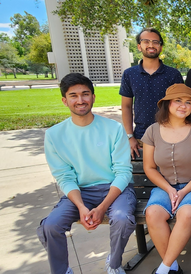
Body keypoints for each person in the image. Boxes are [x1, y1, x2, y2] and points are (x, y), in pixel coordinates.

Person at [38, 73, 135, 274]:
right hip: (79, 192)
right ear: (65, 101)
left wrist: (102, 207)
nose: (80, 100)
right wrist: (81, 207)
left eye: (85, 94)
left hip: (115, 189)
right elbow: (64, 176)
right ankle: (62, 270)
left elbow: (123, 172)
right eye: (73, 95)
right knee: (51, 225)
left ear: (93, 97)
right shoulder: (55, 135)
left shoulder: (113, 128)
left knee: (122, 217)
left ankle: (114, 263)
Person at [141, 84, 191, 274]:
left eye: (188, 102)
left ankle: (163, 269)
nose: (183, 105)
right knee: (153, 214)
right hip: (165, 187)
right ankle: (173, 266)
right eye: (178, 101)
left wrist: (183, 191)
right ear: (167, 104)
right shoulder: (152, 131)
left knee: (186, 213)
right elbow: (149, 167)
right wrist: (170, 189)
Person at [120, 28, 184, 158]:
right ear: (139, 46)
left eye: (155, 42)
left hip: (170, 135)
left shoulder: (173, 75)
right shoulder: (129, 74)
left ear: (160, 47)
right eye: (146, 41)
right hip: (141, 137)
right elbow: (126, 106)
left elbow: (182, 106)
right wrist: (130, 136)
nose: (151, 45)